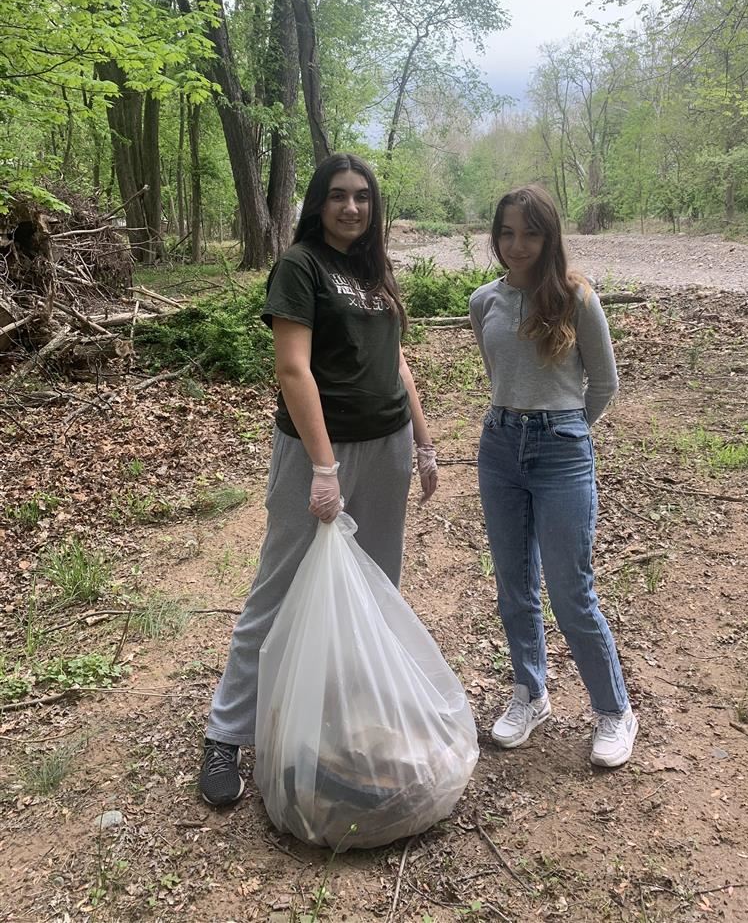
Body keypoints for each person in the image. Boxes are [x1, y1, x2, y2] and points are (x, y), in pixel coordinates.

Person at [199, 153, 438, 806]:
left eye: (363, 196)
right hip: (320, 453)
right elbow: (293, 370)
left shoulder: (373, 271)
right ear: (318, 202)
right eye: (339, 195)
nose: (352, 207)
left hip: (387, 446)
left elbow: (398, 362)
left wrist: (423, 442)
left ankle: (345, 716)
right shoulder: (300, 266)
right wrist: (325, 467)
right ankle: (226, 733)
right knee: (277, 588)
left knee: (375, 585)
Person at [469, 185, 638, 768]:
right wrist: (517, 422)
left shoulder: (575, 297)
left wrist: (567, 430)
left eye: (530, 233)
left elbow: (605, 384)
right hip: (498, 448)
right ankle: (531, 692)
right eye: (507, 233)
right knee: (514, 585)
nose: (517, 246)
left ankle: (614, 710)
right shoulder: (483, 300)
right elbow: (500, 374)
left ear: (550, 236)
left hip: (562, 450)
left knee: (571, 590)